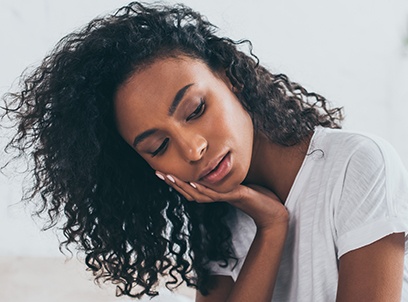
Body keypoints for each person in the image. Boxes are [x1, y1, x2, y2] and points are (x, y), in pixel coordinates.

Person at [2, 2, 408, 301]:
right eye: (159, 146)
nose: (193, 150)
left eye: (195, 110)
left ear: (231, 77)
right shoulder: (216, 215)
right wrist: (271, 227)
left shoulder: (357, 165)